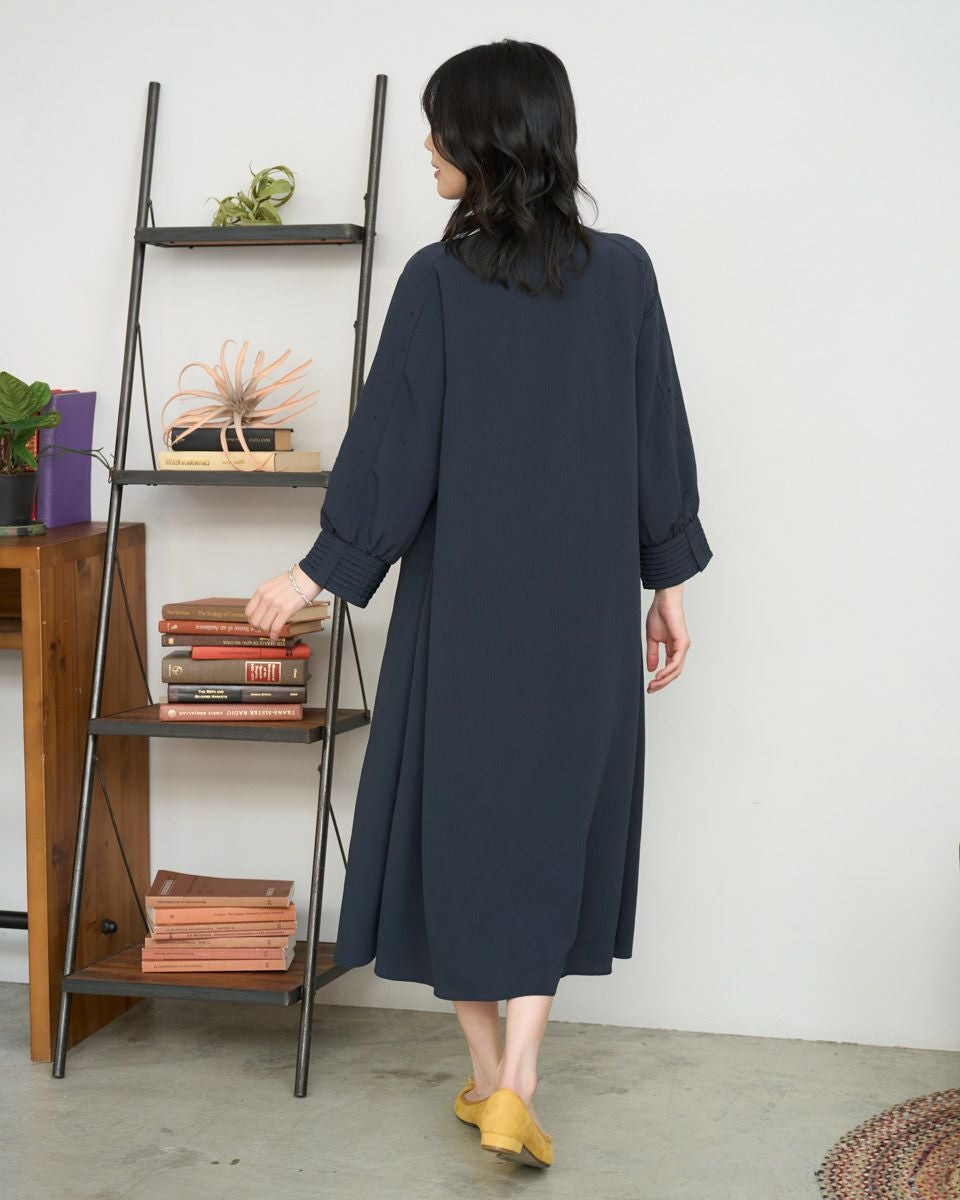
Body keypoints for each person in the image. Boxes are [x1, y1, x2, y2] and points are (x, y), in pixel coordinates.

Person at [247, 38, 713, 1169]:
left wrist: (315, 574)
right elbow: (657, 434)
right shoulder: (627, 273)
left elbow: (392, 448)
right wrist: (666, 581)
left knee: (447, 826)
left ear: (489, 139)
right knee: (557, 825)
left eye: (442, 127)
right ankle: (518, 1081)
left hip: (464, 610)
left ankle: (486, 1072)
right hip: (583, 612)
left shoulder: (439, 281)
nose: (427, 146)